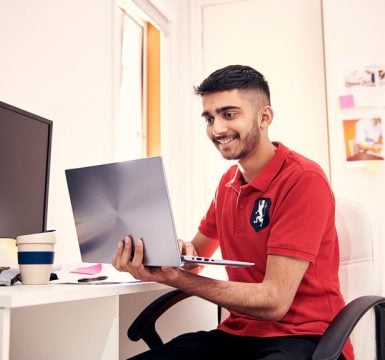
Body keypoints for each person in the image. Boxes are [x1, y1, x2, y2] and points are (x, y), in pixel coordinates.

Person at [112, 65, 353, 360]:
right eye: (209, 118)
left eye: (229, 114)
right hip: (237, 336)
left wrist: (175, 278)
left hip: (305, 339)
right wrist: (155, 255)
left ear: (264, 117)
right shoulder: (228, 183)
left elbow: (274, 301)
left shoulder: (303, 179)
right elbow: (194, 261)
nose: (217, 129)